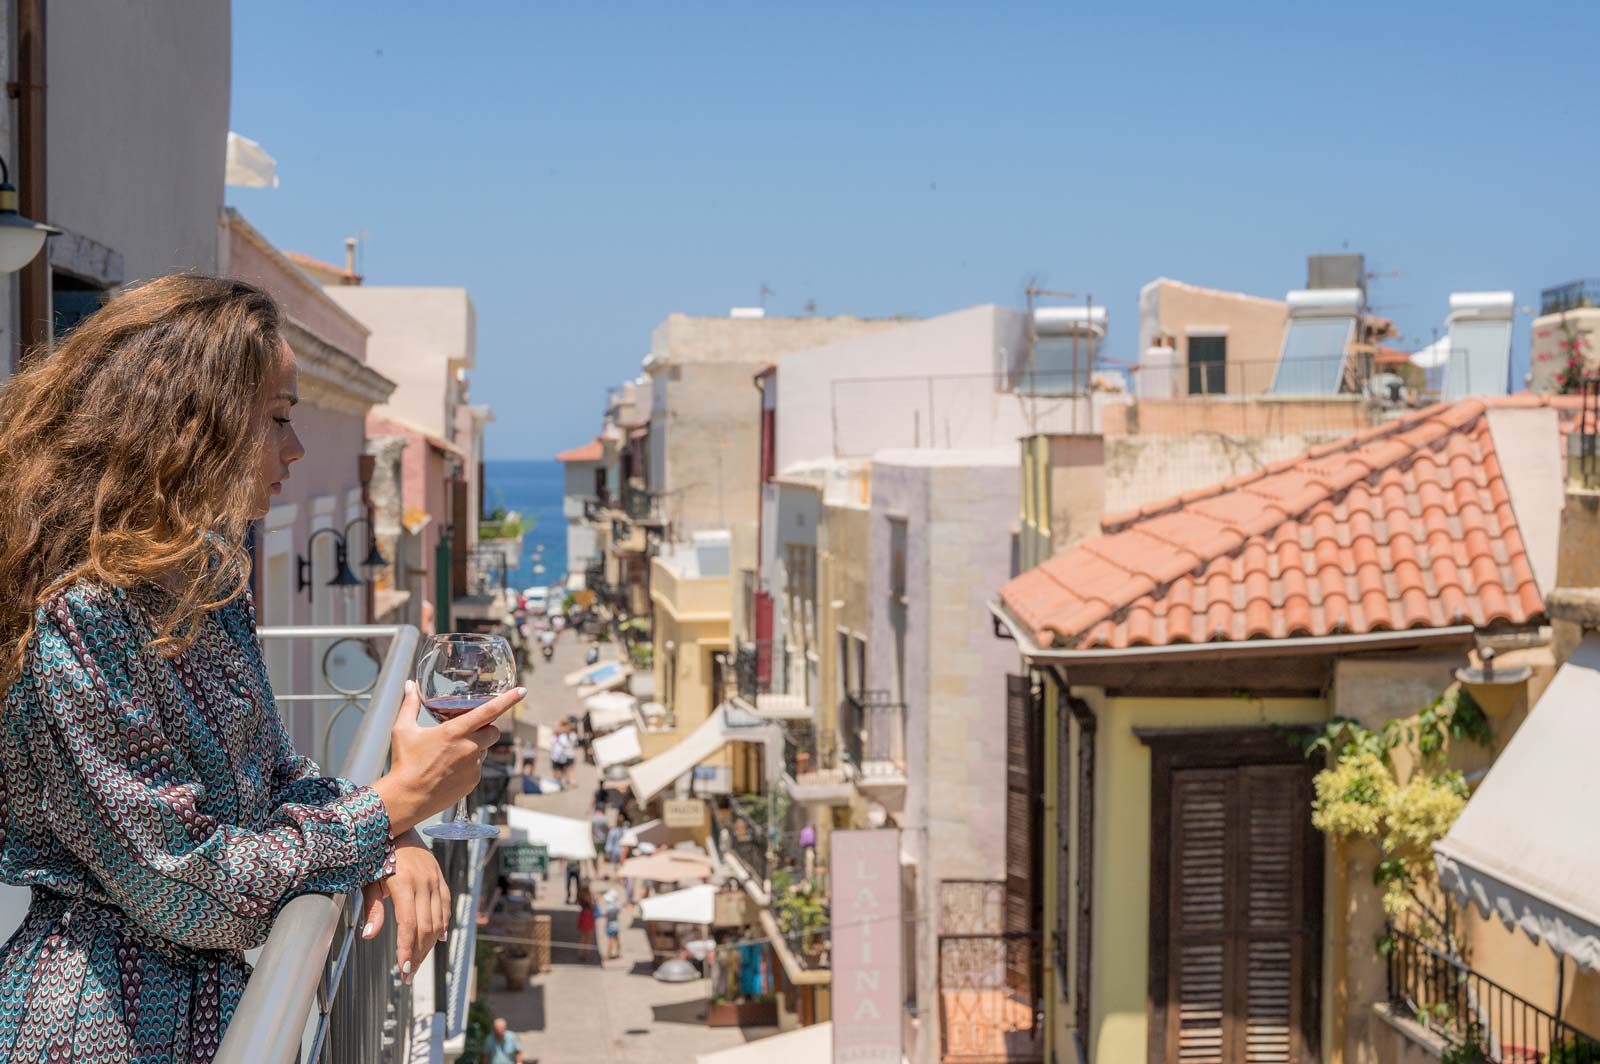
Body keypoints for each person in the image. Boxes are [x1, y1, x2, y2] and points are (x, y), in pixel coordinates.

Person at [0, 276, 523, 1061]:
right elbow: (177, 881)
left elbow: (271, 773)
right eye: (275, 418)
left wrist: (395, 831)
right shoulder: (77, 615)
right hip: (95, 1029)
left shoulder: (203, 576)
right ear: (183, 425)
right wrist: (387, 808)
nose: (295, 447)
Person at [575, 886, 597, 962]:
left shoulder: (581, 897)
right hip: (588, 917)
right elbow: (592, 907)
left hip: (583, 916)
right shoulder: (587, 897)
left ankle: (580, 954)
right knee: (588, 938)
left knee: (582, 937)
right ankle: (586, 955)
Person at [602, 887, 622, 960]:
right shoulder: (617, 906)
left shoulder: (609, 907)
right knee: (617, 939)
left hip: (610, 925)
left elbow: (606, 915)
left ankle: (608, 954)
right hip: (616, 924)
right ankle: (618, 953)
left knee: (610, 940)